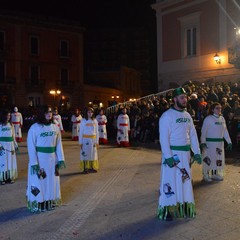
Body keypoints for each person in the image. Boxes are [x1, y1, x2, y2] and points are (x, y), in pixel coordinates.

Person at [157, 87, 202, 221]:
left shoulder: (187, 115)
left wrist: (197, 152)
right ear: (175, 99)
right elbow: (164, 138)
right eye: (182, 97)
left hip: (186, 155)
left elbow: (193, 135)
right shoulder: (167, 116)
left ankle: (185, 207)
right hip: (172, 155)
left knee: (185, 181)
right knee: (169, 182)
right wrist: (169, 156)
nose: (185, 99)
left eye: (186, 97)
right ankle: (168, 210)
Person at [26, 105, 65, 212]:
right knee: (40, 181)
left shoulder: (55, 127)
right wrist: (34, 162)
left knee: (52, 181)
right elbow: (31, 145)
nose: (49, 114)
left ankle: (50, 201)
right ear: (41, 113)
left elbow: (58, 144)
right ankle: (40, 203)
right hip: (40, 160)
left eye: (50, 112)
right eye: (46, 112)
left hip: (52, 159)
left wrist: (60, 158)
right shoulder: (34, 128)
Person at [200, 102, 232, 182]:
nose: (219, 109)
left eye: (220, 108)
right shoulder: (208, 119)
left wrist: (229, 141)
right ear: (212, 109)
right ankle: (206, 174)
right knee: (208, 158)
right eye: (217, 108)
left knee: (218, 158)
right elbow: (203, 131)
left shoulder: (222, 119)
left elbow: (225, 131)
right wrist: (203, 141)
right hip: (209, 143)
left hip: (219, 143)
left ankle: (215, 174)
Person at [0, 109, 18, 185]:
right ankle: (2, 178)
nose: (8, 117)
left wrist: (15, 144)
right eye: (7, 115)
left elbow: (13, 135)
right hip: (2, 145)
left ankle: (9, 177)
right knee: (3, 162)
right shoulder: (0, 125)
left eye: (9, 115)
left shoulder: (11, 124)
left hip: (10, 145)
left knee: (10, 161)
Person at [79, 107, 99, 174]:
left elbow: (97, 131)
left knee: (93, 153)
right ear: (86, 113)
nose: (90, 114)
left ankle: (91, 167)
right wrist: (80, 142)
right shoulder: (83, 121)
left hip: (93, 140)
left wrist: (97, 141)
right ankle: (85, 168)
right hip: (85, 140)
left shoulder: (95, 121)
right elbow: (81, 132)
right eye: (89, 112)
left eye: (91, 112)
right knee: (85, 153)